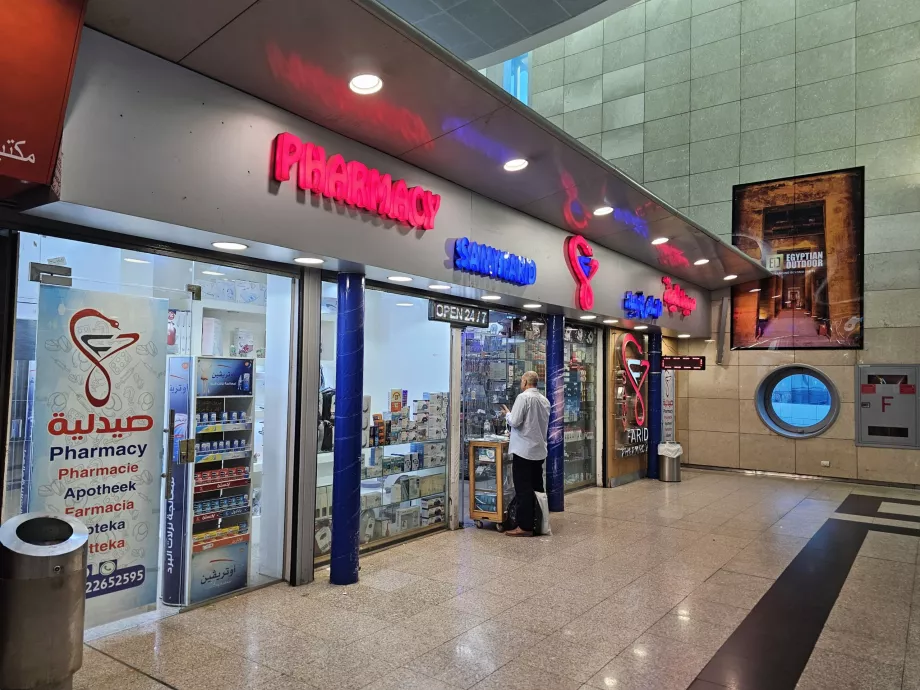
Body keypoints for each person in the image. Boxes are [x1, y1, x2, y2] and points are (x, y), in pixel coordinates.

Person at [500, 370, 550, 537]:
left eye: (522, 381)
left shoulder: (523, 398)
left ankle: (524, 526)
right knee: (537, 488)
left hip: (523, 451)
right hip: (539, 451)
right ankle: (540, 522)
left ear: (525, 382)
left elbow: (515, 421)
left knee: (523, 489)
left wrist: (507, 414)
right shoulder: (544, 400)